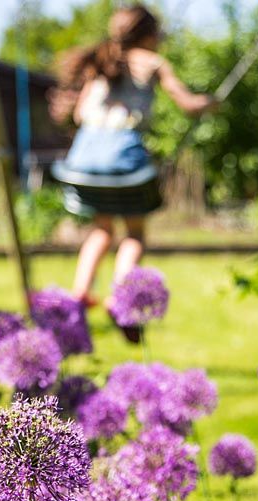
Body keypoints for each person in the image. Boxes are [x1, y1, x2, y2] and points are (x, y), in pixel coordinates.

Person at [49, 4, 218, 315]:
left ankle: (80, 292)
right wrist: (208, 103)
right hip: (122, 157)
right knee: (135, 233)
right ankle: (119, 298)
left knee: (101, 228)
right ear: (150, 36)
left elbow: (78, 113)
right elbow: (188, 104)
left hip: (84, 157)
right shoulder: (153, 62)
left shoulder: (102, 60)